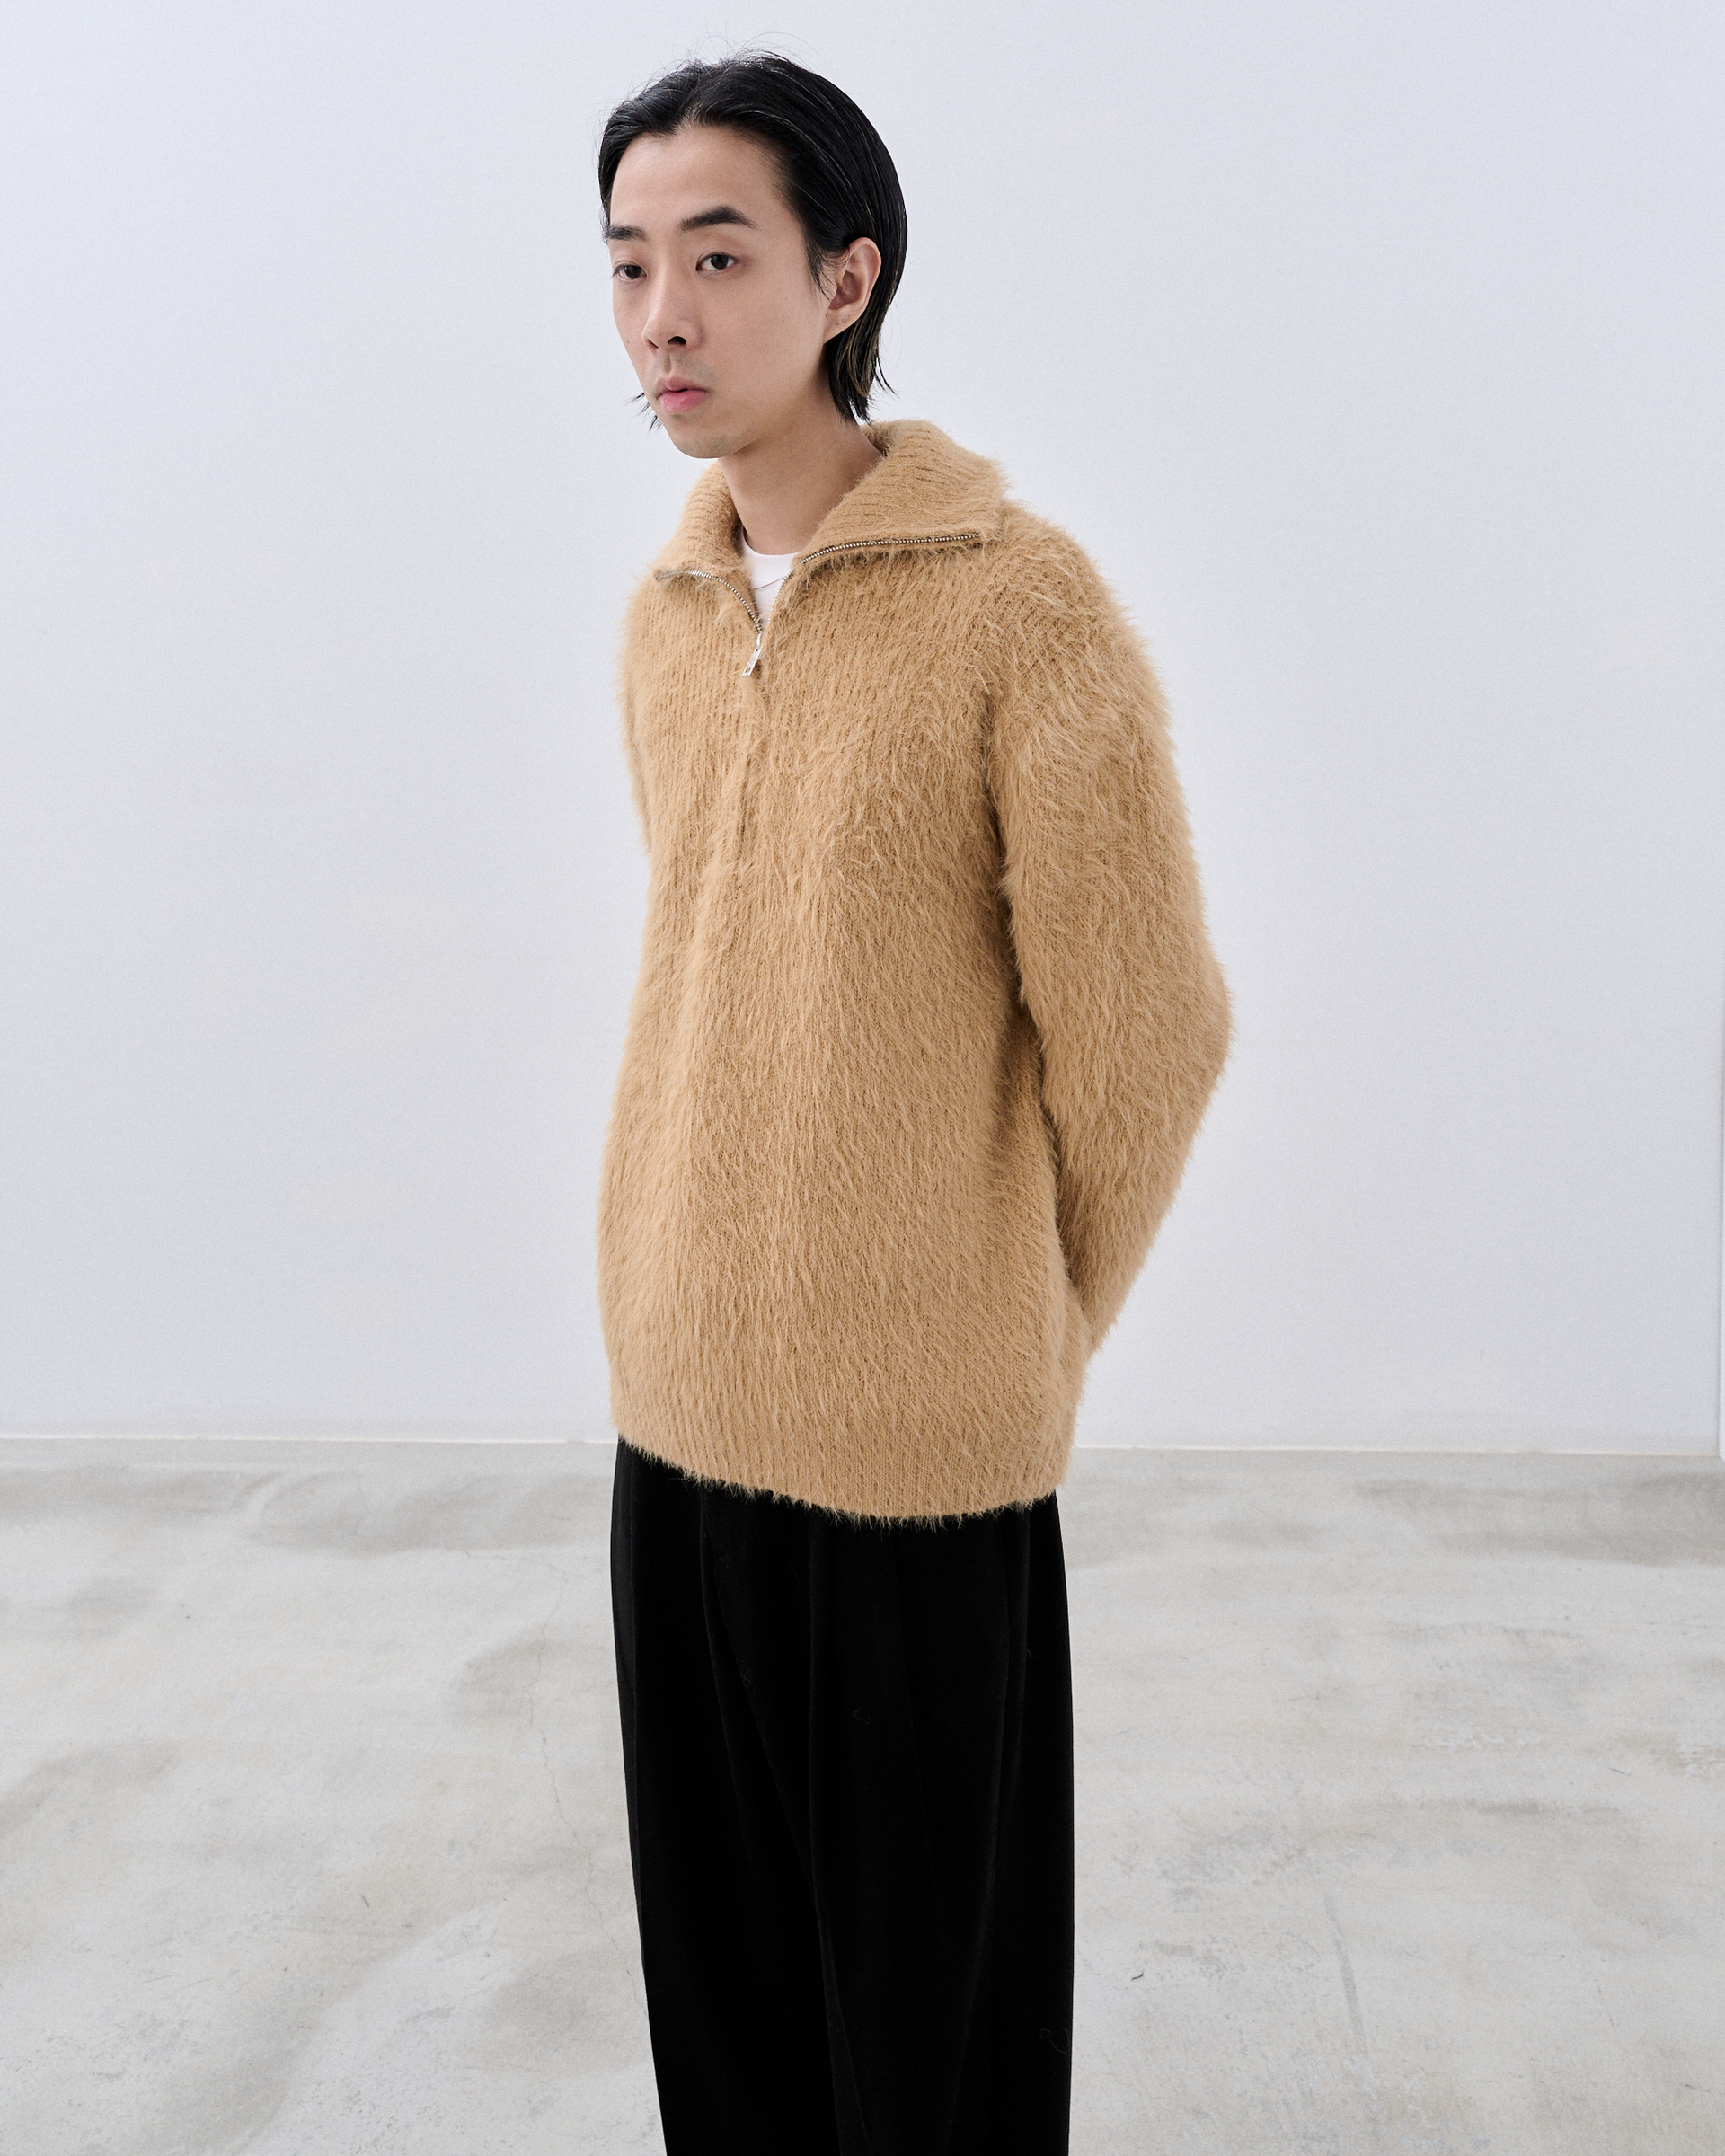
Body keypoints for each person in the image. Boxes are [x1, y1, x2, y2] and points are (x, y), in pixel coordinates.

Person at [593, 50, 1231, 2156]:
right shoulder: (665, 622)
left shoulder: (1020, 606)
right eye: (628, 266)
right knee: (732, 2038)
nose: (664, 318)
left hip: (921, 1466)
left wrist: (1013, 1327)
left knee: (931, 2065)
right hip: (677, 1416)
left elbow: (1148, 1031)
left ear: (847, 278)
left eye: (717, 257)